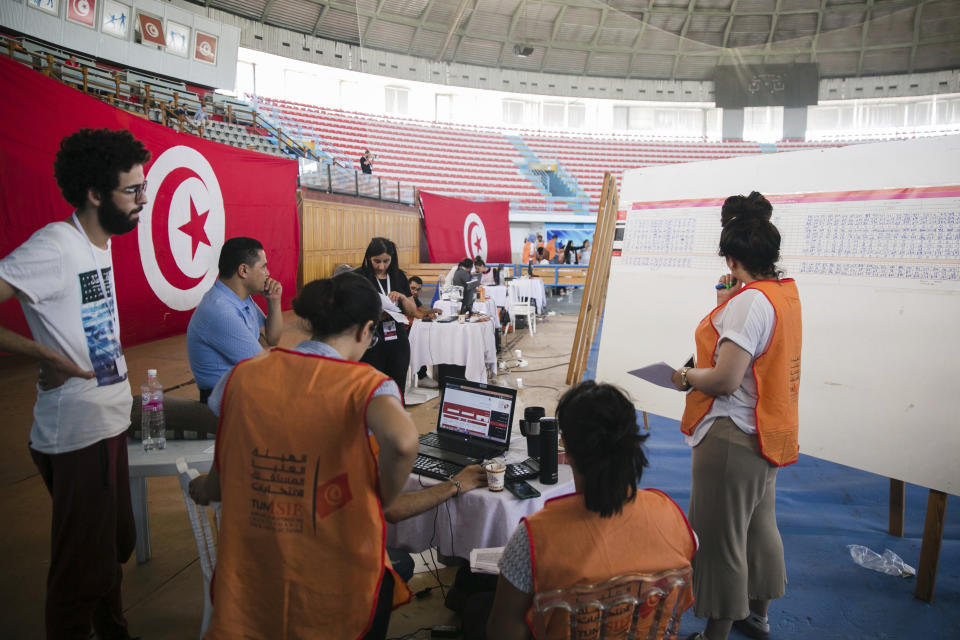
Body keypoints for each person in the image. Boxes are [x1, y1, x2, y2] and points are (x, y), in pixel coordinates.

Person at [188, 273, 420, 638]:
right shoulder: (364, 385)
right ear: (366, 330)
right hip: (330, 581)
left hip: (252, 578)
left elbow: (232, 454)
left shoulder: (243, 376)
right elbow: (404, 441)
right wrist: (383, 496)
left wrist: (206, 487)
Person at [0, 128, 150, 639]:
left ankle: (112, 628)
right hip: (77, 432)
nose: (143, 200)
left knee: (111, 550)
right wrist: (43, 353)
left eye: (143, 188)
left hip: (109, 420)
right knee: (79, 573)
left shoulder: (99, 243)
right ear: (94, 193)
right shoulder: (55, 246)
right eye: (133, 191)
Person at [670, 192, 801, 640]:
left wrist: (685, 377)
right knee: (760, 527)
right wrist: (732, 301)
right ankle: (758, 616)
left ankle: (715, 635)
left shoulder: (747, 305)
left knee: (720, 543)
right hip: (765, 431)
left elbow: (725, 380)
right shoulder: (780, 295)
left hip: (731, 435)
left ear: (731, 258)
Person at [485, 381, 696, 639]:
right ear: (632, 443)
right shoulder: (672, 517)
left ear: (567, 451)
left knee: (475, 606)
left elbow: (503, 630)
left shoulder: (532, 539)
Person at [186, 237, 283, 404]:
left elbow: (272, 338)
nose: (268, 273)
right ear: (243, 270)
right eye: (263, 266)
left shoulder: (240, 299)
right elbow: (263, 364)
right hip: (224, 400)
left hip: (241, 389)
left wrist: (274, 300)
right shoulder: (220, 311)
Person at [355, 237, 417, 396]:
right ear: (369, 258)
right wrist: (375, 316)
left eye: (386, 261)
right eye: (377, 261)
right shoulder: (360, 277)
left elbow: (412, 311)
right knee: (372, 390)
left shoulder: (399, 276)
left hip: (397, 340)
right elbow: (352, 310)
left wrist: (402, 297)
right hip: (371, 341)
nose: (381, 266)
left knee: (397, 389)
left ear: (392, 258)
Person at [407, 275, 440, 389]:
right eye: (412, 288)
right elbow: (419, 314)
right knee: (420, 342)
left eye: (418, 289)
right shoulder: (406, 298)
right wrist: (432, 311)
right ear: (407, 286)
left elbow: (423, 310)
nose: (415, 292)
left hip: (411, 328)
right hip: (403, 331)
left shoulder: (414, 298)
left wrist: (429, 312)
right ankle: (422, 377)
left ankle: (423, 375)